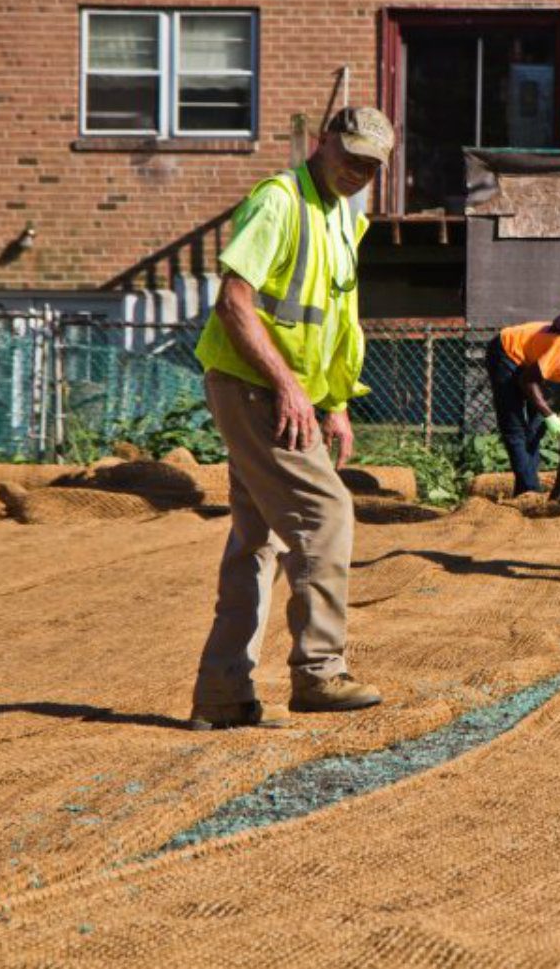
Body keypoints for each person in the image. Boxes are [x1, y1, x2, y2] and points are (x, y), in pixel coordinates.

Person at [186, 105, 395, 730]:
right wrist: (289, 388)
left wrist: (333, 403)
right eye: (350, 153)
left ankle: (223, 693)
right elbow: (234, 302)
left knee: (259, 540)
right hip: (256, 389)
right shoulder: (279, 202)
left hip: (281, 395)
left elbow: (330, 324)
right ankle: (319, 672)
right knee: (327, 515)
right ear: (322, 139)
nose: (357, 170)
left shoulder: (341, 218)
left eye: (370, 165)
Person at [484, 311, 560, 494]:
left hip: (538, 359)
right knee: (514, 427)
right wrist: (550, 415)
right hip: (507, 350)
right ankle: (530, 491)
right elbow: (527, 380)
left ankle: (524, 490)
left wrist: (546, 416)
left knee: (536, 429)